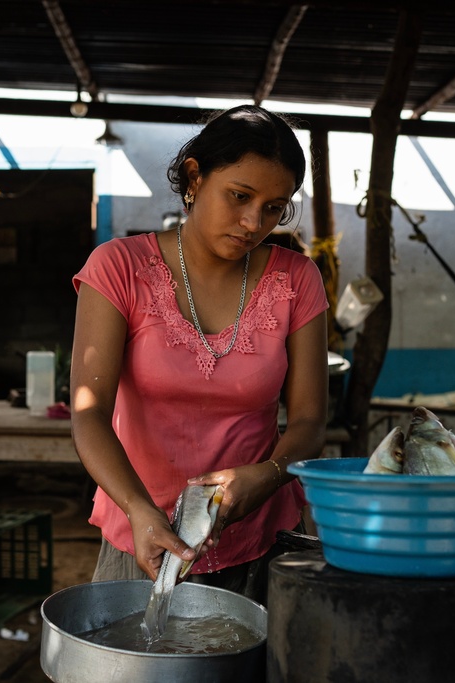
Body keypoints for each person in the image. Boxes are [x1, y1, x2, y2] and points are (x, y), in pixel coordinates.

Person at [70, 104, 328, 602]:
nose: (254, 221)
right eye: (240, 196)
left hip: (260, 540)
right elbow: (89, 415)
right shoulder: (119, 268)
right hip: (142, 535)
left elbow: (310, 420)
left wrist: (267, 477)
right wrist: (139, 510)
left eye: (274, 207)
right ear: (194, 176)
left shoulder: (296, 279)